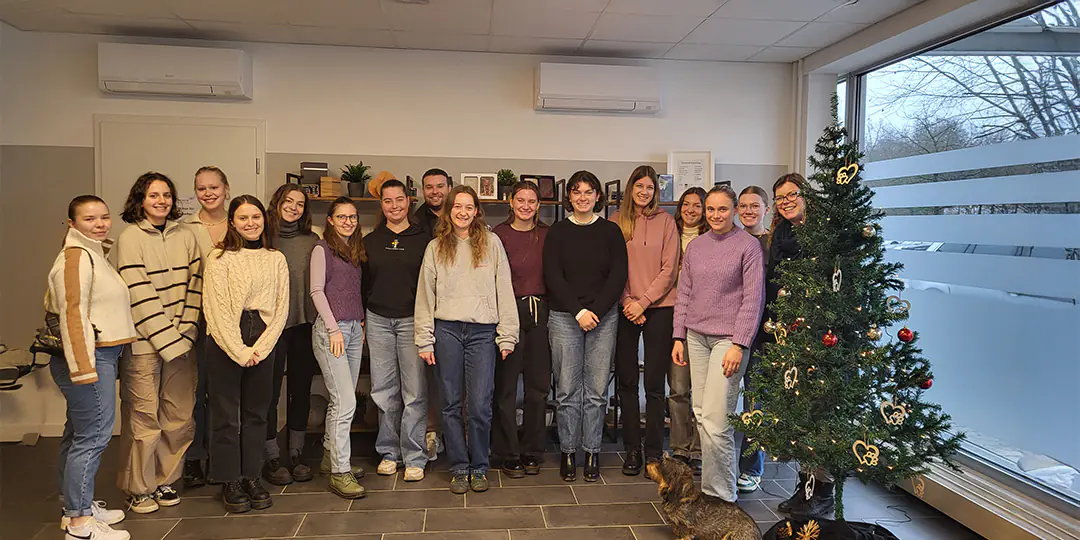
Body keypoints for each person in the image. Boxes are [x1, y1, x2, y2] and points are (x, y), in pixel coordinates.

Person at [415, 185, 518, 494]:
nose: (462, 212)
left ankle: (479, 466)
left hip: (482, 333)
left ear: (476, 211)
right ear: (449, 211)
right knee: (448, 403)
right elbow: (424, 295)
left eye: (469, 207)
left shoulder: (492, 243)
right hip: (445, 331)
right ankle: (459, 466)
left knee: (480, 404)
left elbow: (504, 289)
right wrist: (424, 339)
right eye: (457, 206)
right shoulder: (435, 247)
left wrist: (507, 335)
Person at [47, 196, 137, 540]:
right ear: (72, 224)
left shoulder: (94, 255)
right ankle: (80, 525)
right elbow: (72, 316)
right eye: (89, 219)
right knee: (92, 438)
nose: (99, 224)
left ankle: (76, 506)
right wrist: (84, 370)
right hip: (89, 358)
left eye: (103, 217)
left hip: (100, 356)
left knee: (77, 436)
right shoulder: (76, 259)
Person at [671, 185, 764, 503]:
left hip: (729, 340)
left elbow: (753, 299)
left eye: (722, 209)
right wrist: (678, 336)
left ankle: (722, 496)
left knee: (717, 418)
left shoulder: (748, 246)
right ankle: (712, 489)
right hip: (695, 337)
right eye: (710, 209)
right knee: (700, 412)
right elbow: (684, 293)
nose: (715, 215)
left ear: (735, 210)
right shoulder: (696, 247)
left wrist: (740, 344)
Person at [115, 172, 202, 514]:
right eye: (154, 195)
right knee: (143, 418)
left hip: (183, 340)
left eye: (166, 195)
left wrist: (185, 332)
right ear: (140, 200)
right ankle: (139, 487)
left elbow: (196, 284)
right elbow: (138, 293)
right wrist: (170, 339)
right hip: (143, 344)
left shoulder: (187, 235)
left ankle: (165, 480)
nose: (162, 201)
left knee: (179, 416)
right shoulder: (129, 238)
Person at [203, 195, 289, 513]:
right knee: (226, 416)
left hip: (263, 336)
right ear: (232, 222)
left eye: (256, 217)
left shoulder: (275, 258)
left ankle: (252, 476)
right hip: (227, 338)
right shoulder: (218, 258)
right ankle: (230, 480)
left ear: (264, 220)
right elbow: (215, 310)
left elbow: (281, 307)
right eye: (243, 218)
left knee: (257, 414)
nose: (250, 223)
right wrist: (240, 350)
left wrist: (261, 348)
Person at [543, 171, 628, 483]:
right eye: (576, 192)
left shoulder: (611, 232)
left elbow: (618, 275)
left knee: (595, 391)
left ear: (597, 196)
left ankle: (592, 451)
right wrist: (578, 311)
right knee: (566, 390)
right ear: (570, 197)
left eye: (588, 192)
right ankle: (568, 451)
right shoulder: (557, 232)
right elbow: (553, 275)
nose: (582, 197)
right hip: (565, 317)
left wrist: (595, 311)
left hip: (603, 319)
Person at [765, 174, 834, 518]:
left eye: (792, 194)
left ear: (806, 195)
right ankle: (805, 485)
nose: (786, 201)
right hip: (791, 333)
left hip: (824, 336)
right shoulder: (781, 233)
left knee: (822, 415)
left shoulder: (826, 232)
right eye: (780, 198)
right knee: (801, 414)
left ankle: (823, 490)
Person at [610, 166, 680, 476]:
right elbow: (611, 267)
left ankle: (653, 451)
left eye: (650, 187)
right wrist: (628, 302)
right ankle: (632, 450)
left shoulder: (666, 222)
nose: (644, 192)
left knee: (653, 383)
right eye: (639, 185)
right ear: (630, 188)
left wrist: (644, 302)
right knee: (626, 381)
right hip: (625, 308)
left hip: (660, 308)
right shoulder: (615, 221)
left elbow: (670, 269)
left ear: (656, 192)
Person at [362, 179, 430, 483]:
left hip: (411, 321)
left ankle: (415, 456)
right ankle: (389, 453)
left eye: (399, 200)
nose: (394, 206)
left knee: (414, 392)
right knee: (384, 391)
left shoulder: (424, 239)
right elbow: (362, 283)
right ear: (381, 205)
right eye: (387, 201)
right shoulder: (371, 240)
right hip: (377, 320)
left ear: (409, 201)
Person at [260, 184, 320, 486]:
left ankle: (296, 451)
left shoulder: (313, 241)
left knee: (300, 389)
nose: (294, 207)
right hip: (270, 329)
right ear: (277, 202)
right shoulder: (262, 238)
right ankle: (270, 454)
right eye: (288, 201)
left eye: (300, 204)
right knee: (269, 393)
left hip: (304, 325)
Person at [491, 181, 551, 479]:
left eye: (532, 201)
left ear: (538, 205)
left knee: (538, 388)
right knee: (506, 387)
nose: (526, 206)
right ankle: (507, 452)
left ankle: (532, 450)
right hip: (507, 312)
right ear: (510, 202)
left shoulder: (548, 234)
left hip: (540, 311)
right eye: (520, 200)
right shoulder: (497, 235)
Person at [310, 197, 368, 499]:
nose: (348, 221)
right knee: (345, 402)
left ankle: (330, 457)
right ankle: (339, 472)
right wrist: (334, 329)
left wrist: (359, 322)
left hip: (354, 329)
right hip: (331, 332)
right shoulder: (322, 249)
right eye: (341, 217)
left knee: (341, 401)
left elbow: (352, 291)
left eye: (353, 216)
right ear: (330, 220)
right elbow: (316, 291)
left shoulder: (354, 251)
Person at [181, 166, 229, 489]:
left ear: (226, 188)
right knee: (195, 391)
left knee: (223, 392)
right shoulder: (186, 228)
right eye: (201, 188)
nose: (208, 193)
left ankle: (220, 456)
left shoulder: (240, 221)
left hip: (229, 319)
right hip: (195, 317)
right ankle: (194, 457)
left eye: (214, 187)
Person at [734, 185, 771, 494]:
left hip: (764, 336)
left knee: (755, 403)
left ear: (765, 210)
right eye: (743, 206)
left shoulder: (774, 244)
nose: (748, 210)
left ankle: (751, 468)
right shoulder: (731, 242)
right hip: (732, 333)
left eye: (754, 206)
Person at [669, 187, 707, 472]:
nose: (691, 210)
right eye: (686, 204)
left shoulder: (712, 239)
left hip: (704, 320)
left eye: (698, 205)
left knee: (705, 393)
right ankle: (680, 448)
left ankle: (700, 449)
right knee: (679, 388)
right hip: (673, 316)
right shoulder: (669, 234)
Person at [414, 168, 451, 460]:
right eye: (429, 187)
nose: (435, 191)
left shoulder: (464, 217)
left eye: (440, 186)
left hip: (456, 311)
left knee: (455, 378)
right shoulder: (414, 221)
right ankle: (431, 433)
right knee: (428, 378)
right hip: (425, 308)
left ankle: (456, 435)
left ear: (449, 187)